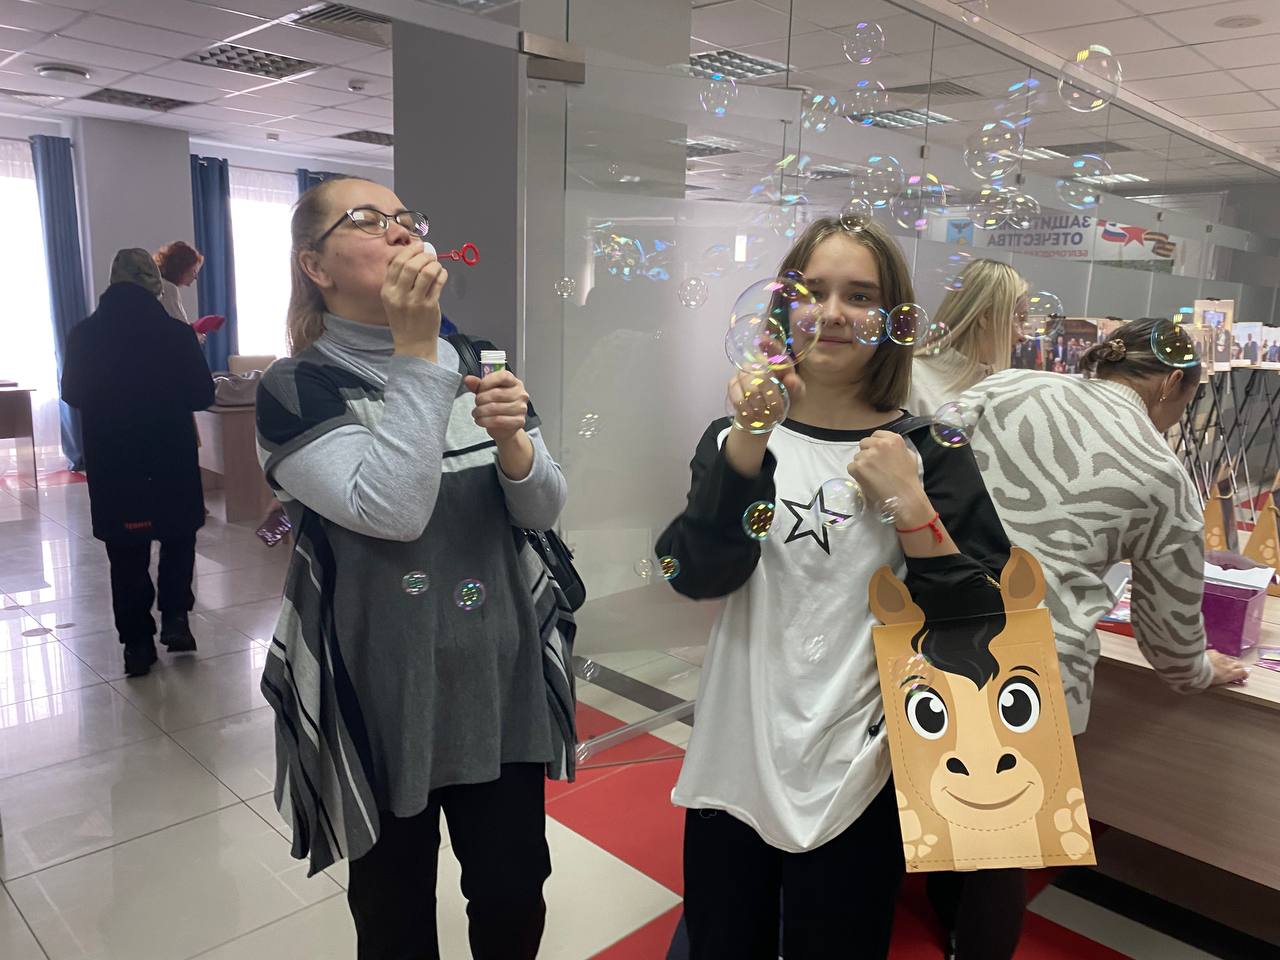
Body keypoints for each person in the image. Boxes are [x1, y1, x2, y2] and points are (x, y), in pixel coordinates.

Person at [657, 215, 1011, 958]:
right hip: (735, 755)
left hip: (863, 770)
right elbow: (696, 573)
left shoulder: (927, 450)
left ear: (892, 318)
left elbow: (980, 616)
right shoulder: (733, 436)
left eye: (861, 296)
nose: (833, 313)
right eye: (813, 291)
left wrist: (911, 506)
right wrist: (750, 441)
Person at [254, 176, 572, 959]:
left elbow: (541, 512)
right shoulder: (296, 387)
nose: (400, 231)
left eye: (406, 218)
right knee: (394, 916)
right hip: (383, 691)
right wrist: (418, 355)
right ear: (315, 266)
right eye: (368, 220)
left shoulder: (479, 356)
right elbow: (392, 511)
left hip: (499, 677)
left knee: (512, 894)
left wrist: (515, 444)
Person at [925, 317, 1249, 959]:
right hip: (1037, 666)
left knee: (931, 801)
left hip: (934, 631)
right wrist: (1201, 671)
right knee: (1002, 851)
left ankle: (931, 923)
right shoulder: (1164, 474)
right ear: (1172, 385)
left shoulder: (1009, 386)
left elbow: (919, 465)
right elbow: (1168, 632)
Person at [60, 248, 214, 677]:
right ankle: (176, 620)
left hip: (113, 460)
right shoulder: (176, 335)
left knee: (126, 552)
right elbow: (202, 394)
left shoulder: (83, 335)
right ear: (153, 285)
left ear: (112, 282)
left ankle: (137, 644)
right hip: (170, 454)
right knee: (178, 536)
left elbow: (72, 393)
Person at [907, 259, 1028, 416]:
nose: (1023, 336)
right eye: (1019, 318)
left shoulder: (1000, 386)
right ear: (986, 316)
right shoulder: (912, 379)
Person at [154, 240, 203, 324]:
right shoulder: (168, 288)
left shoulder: (158, 284)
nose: (196, 277)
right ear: (183, 268)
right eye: (194, 271)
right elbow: (179, 327)